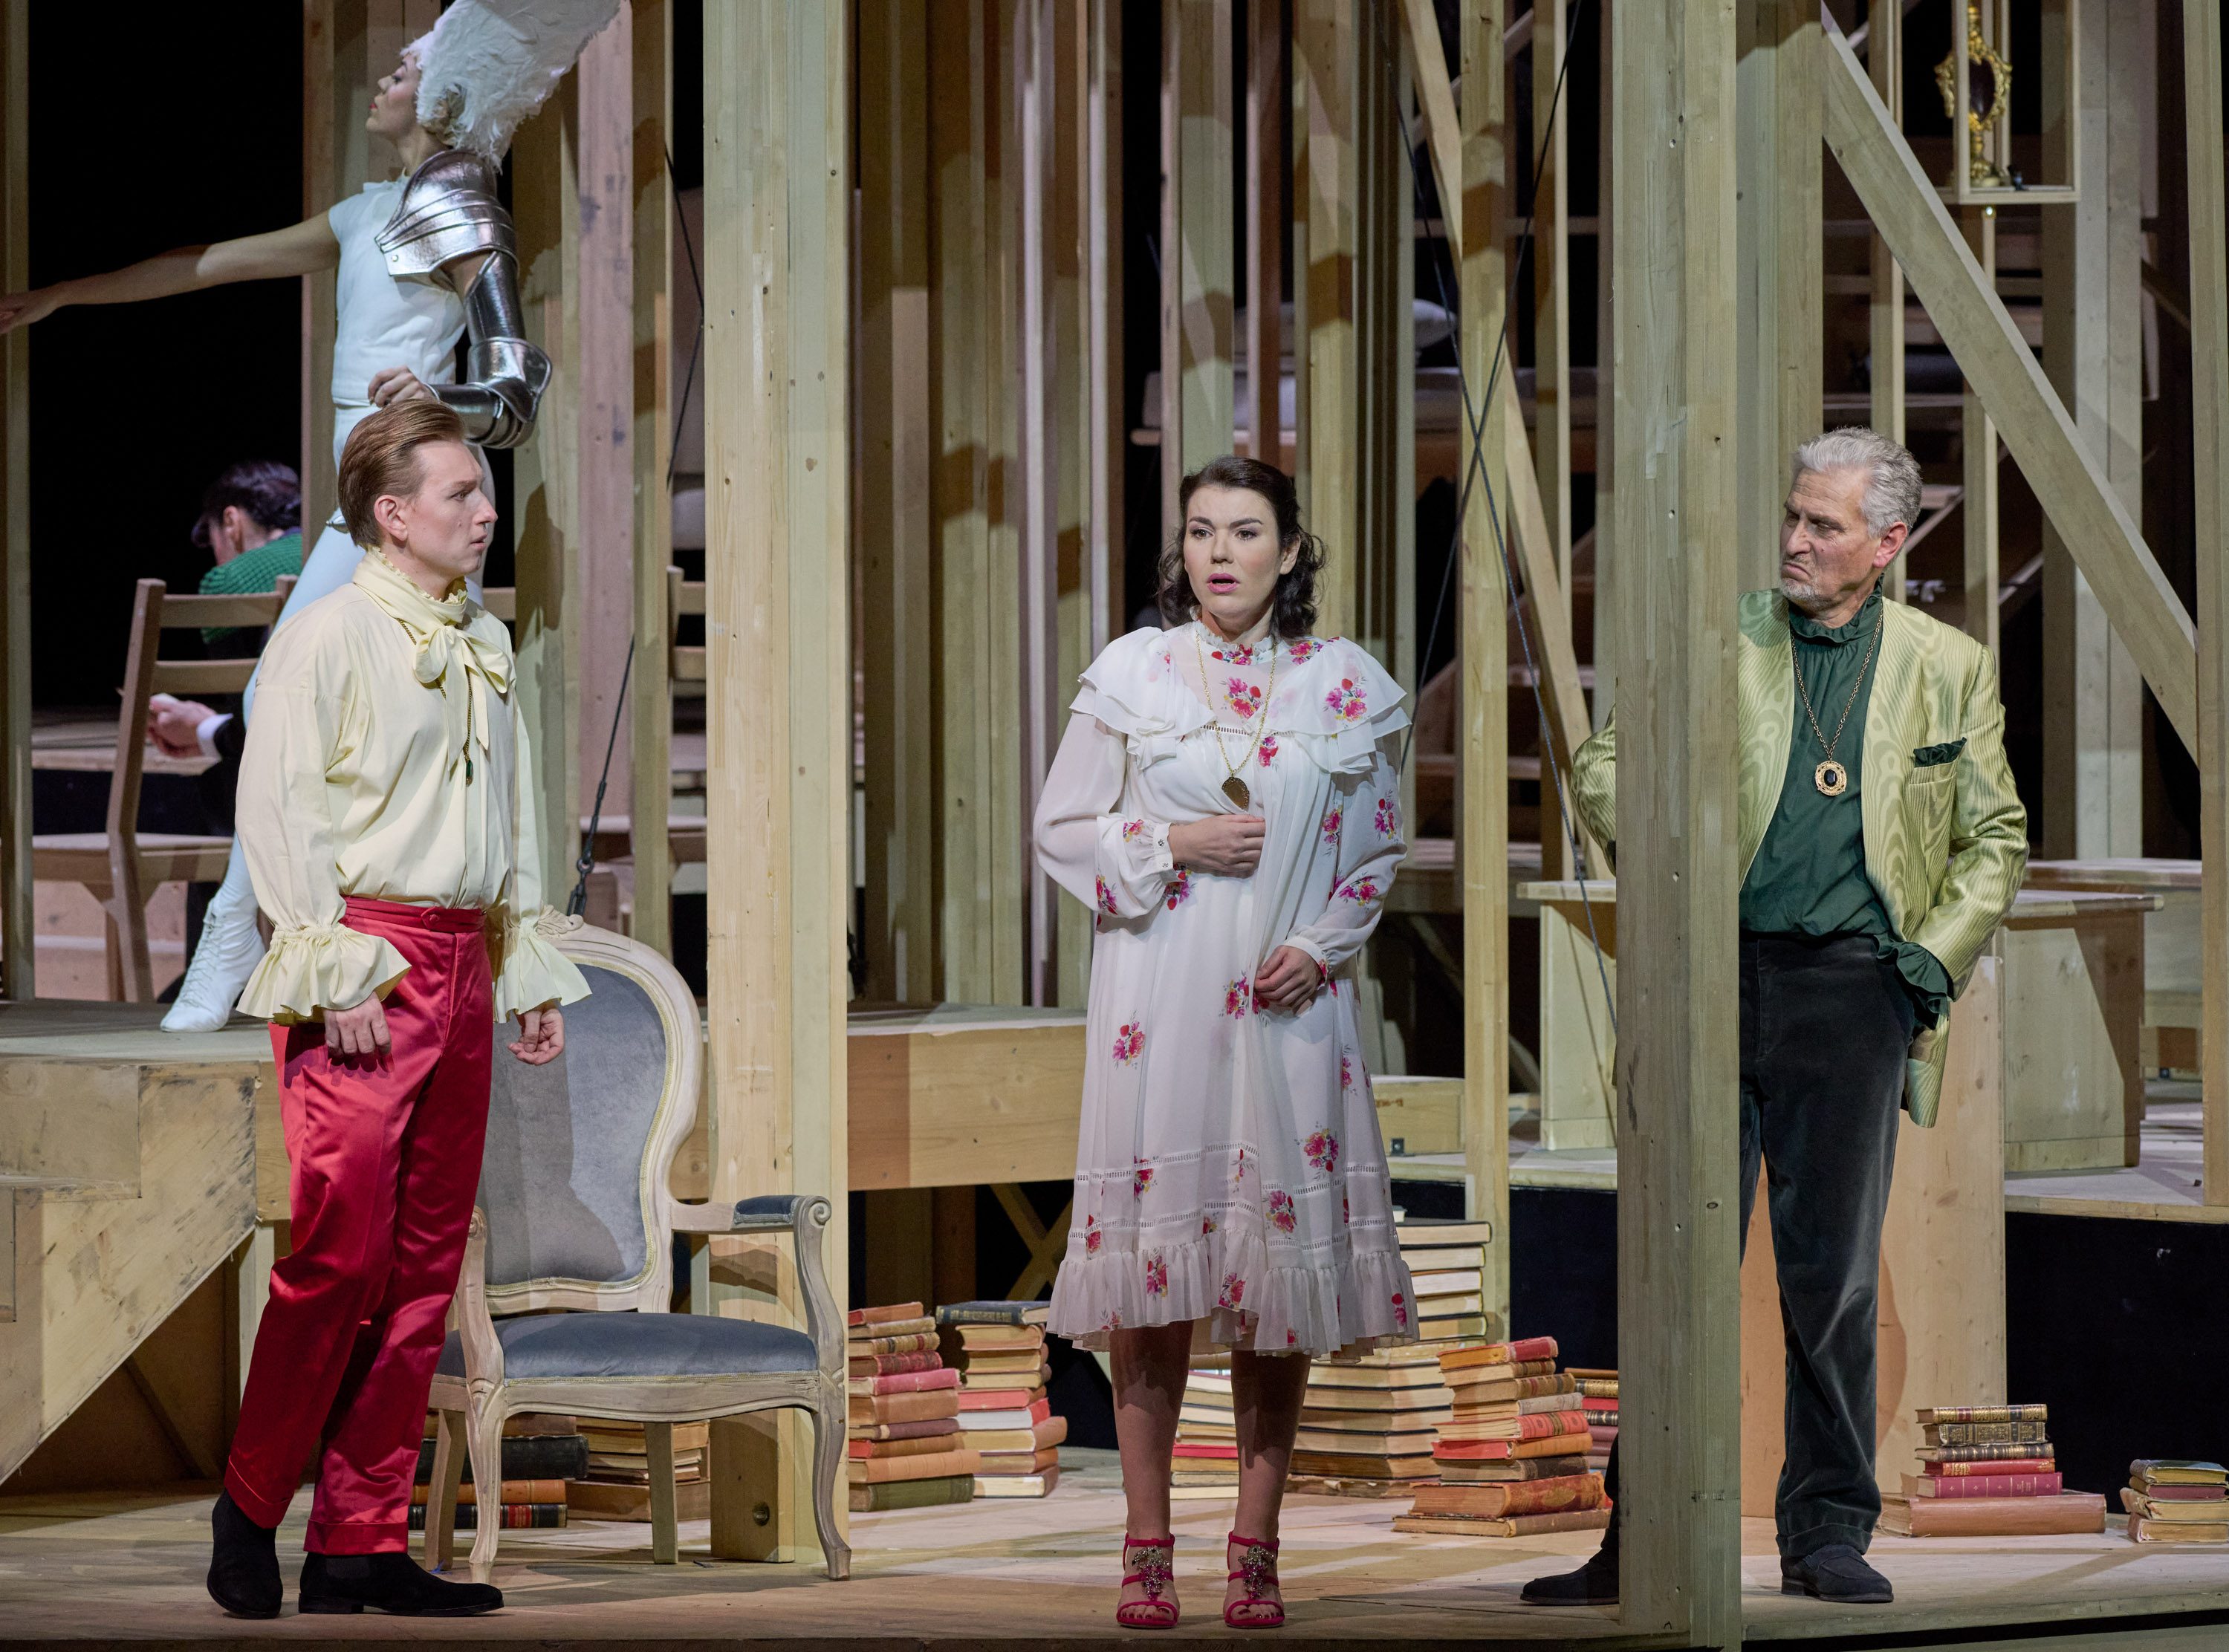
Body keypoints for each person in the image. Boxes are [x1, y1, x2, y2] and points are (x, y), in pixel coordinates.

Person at [0, 0, 618, 1032]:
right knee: (298, 716)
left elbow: (515, 389)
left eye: (412, 62)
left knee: (287, 700)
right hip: (361, 503)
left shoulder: (460, 201)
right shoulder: (366, 210)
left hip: (409, 507)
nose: (389, 72)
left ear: (452, 90)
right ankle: (261, 941)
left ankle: (239, 940)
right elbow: (207, 262)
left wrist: (431, 404)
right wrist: (67, 295)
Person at [1524, 428, 2027, 1609]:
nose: (1797, 542)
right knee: (1674, 1266)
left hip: (1855, 988)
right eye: (1794, 518)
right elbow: (1601, 768)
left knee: (1832, 1281)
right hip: (1711, 974)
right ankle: (1638, 1535)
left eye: (1826, 526)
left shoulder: (1948, 663)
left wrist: (1925, 967)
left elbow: (1995, 837)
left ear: (1888, 544)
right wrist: (1671, 855)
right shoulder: (1725, 636)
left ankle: (1827, 1529)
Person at [204, 399, 590, 1620]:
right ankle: (252, 1505)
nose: (485, 514)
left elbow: (511, 809)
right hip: (365, 962)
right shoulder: (327, 636)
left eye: (482, 495)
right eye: (462, 496)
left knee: (425, 1267)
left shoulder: (476, 636)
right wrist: (334, 962)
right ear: (393, 514)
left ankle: (359, 1543)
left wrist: (521, 961)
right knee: (338, 1257)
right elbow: (281, 809)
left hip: (462, 960)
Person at [1034, 455, 1416, 1631]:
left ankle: (1256, 1543)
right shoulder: (1133, 673)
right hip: (1163, 1002)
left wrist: (1327, 939)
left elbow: (1379, 843)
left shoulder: (1344, 684)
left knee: (1273, 1293)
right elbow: (1063, 830)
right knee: (1157, 1279)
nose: (1220, 553)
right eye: (1201, 532)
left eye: (1245, 533)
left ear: (1290, 551)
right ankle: (1147, 1543)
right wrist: (1176, 842)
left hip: (1291, 1008)